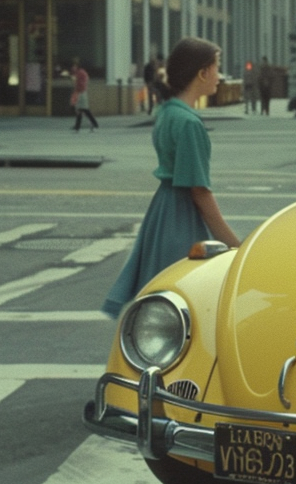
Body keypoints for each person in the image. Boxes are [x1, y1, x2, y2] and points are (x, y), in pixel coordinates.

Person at [102, 37, 242, 318]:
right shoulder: (190, 123)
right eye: (217, 68)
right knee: (182, 298)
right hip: (181, 217)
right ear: (202, 73)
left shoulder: (167, 113)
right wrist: (236, 246)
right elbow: (200, 193)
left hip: (162, 212)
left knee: (160, 292)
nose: (219, 77)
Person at [71, 58, 98, 132]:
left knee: (83, 109)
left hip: (81, 93)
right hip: (81, 92)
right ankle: (78, 127)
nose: (73, 67)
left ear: (77, 66)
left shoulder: (80, 73)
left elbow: (81, 84)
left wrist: (77, 90)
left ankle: (93, 123)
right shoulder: (80, 73)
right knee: (81, 109)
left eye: (74, 66)